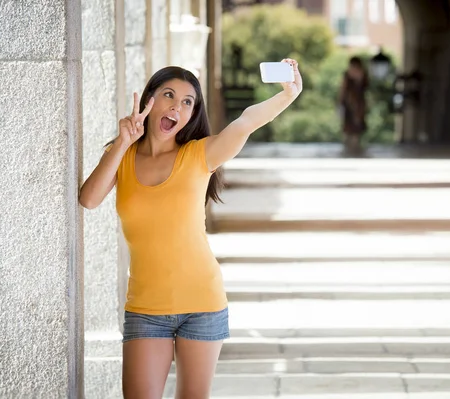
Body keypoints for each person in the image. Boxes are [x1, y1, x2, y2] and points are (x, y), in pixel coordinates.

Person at [79, 59, 302, 398]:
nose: (176, 107)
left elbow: (244, 124)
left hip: (202, 303)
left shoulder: (199, 155)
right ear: (148, 101)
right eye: (168, 95)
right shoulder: (121, 155)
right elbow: (89, 199)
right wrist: (123, 142)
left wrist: (287, 95)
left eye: (187, 102)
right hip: (146, 307)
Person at [338, 56, 370, 155]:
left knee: (356, 127)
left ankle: (355, 147)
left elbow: (365, 87)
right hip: (350, 104)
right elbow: (343, 90)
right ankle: (350, 147)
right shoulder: (348, 75)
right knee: (349, 128)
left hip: (358, 104)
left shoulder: (362, 75)